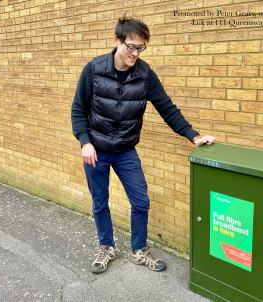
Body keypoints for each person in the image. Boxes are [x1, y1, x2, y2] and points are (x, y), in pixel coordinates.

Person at [71, 16, 216, 274]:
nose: (135, 53)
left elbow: (167, 109)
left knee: (141, 201)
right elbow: (78, 110)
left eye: (141, 48)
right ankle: (107, 247)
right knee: (100, 202)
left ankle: (139, 250)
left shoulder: (145, 74)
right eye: (131, 46)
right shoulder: (93, 69)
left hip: (126, 150)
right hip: (97, 150)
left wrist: (194, 136)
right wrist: (85, 142)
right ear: (117, 40)